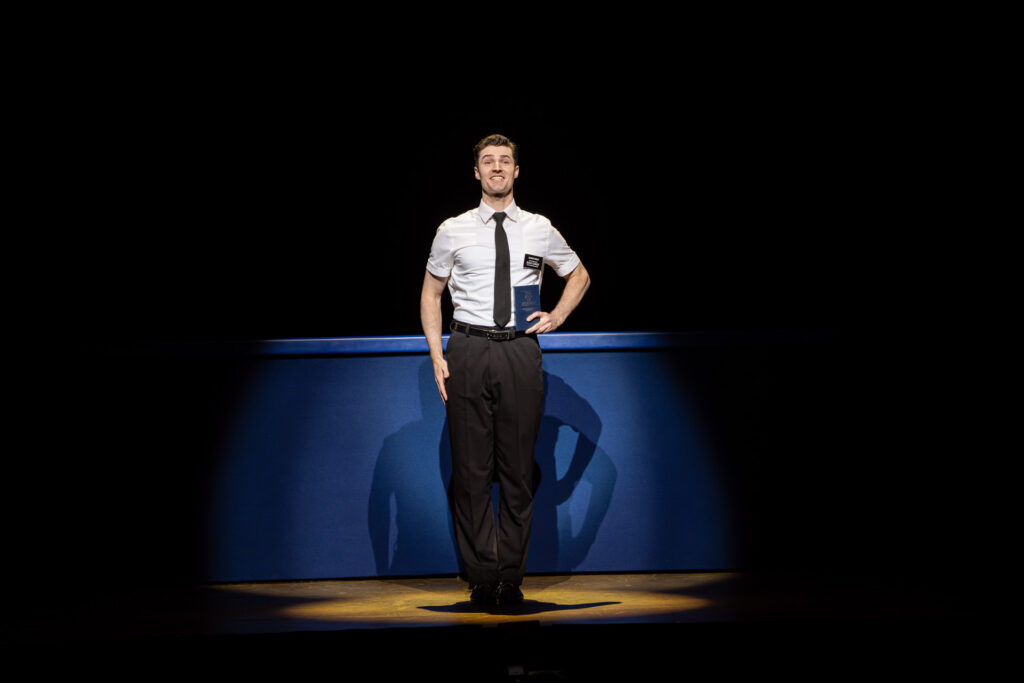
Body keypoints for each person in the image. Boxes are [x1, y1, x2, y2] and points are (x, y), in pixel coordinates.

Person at [420, 133, 591, 604]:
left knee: (517, 471)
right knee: (471, 471)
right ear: (476, 172)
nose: (497, 167)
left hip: (519, 349)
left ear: (516, 171)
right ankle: (481, 577)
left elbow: (579, 274)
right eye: (488, 161)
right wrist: (436, 354)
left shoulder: (539, 228)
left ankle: (510, 579)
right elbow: (431, 293)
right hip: (468, 349)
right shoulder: (452, 230)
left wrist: (557, 316)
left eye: (505, 161)